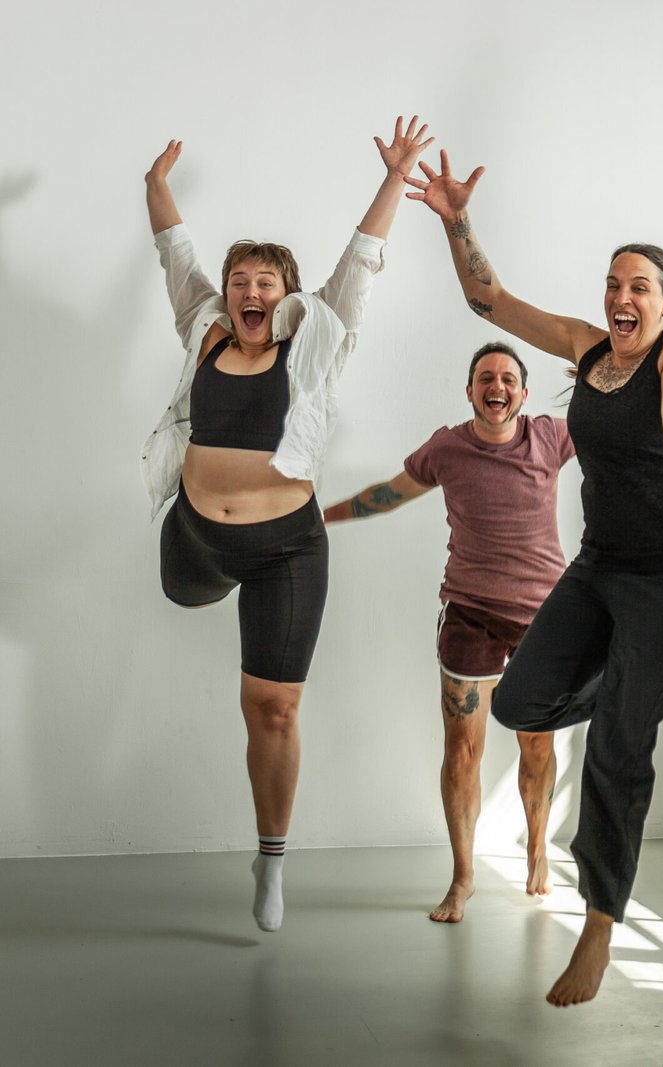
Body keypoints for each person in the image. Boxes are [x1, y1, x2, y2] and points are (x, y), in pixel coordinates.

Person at [406, 151, 663, 1006]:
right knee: (517, 704)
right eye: (614, 284)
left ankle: (597, 925)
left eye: (641, 288)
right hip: (600, 565)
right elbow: (490, 301)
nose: (622, 298)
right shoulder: (591, 349)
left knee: (620, 749)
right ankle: (634, 679)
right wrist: (454, 218)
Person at [142, 118, 433, 933]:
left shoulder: (317, 342)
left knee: (271, 708)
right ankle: (194, 568)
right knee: (180, 590)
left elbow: (361, 262)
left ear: (289, 296)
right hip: (197, 540)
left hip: (285, 551)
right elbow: (175, 255)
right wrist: (155, 185)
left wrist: (396, 176)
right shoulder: (203, 330)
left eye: (266, 281)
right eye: (240, 279)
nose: (250, 292)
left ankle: (271, 858)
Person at [322, 342, 575, 922]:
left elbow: (624, 427)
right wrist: (319, 517)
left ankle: (538, 847)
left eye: (509, 378)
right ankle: (463, 878)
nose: (498, 385)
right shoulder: (448, 448)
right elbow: (386, 495)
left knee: (537, 745)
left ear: (524, 394)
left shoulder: (552, 437)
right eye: (486, 377)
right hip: (469, 613)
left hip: (544, 618)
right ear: (469, 391)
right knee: (462, 752)